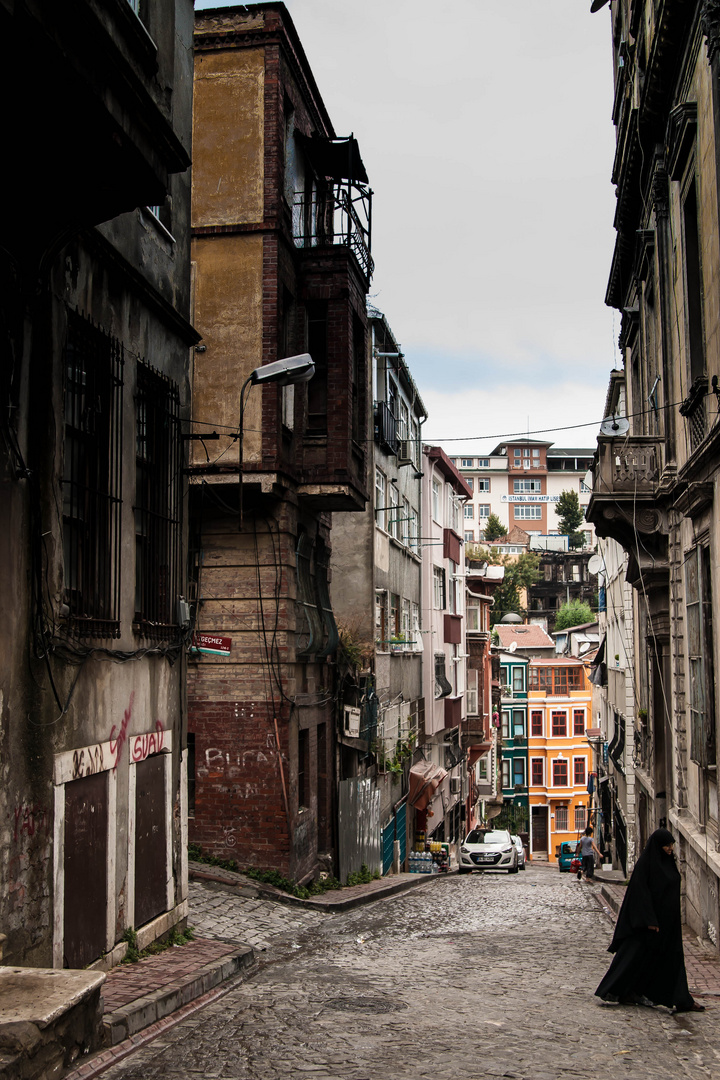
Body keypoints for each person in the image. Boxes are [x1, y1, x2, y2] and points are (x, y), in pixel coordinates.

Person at [595, 828, 705, 1012]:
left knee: (673, 960)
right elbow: (640, 894)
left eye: (671, 845)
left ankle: (682, 1000)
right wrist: (649, 920)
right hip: (649, 925)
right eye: (667, 845)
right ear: (658, 846)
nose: (670, 849)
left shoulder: (668, 863)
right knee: (634, 958)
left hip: (669, 924)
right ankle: (623, 991)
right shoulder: (646, 865)